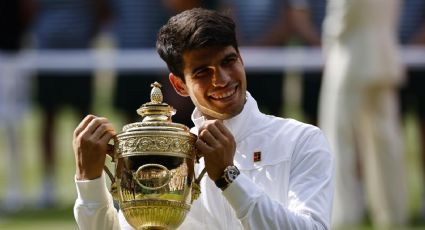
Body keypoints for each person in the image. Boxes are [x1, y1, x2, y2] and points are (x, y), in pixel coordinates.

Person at [73, 8, 334, 229]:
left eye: (228, 61)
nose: (221, 79)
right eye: (202, 72)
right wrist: (89, 180)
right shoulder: (170, 155)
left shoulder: (301, 140)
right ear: (179, 85)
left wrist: (229, 178)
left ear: (241, 59)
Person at [319, 0, 408, 229]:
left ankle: (343, 212)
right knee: (386, 141)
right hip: (383, 56)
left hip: (349, 60)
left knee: (339, 140)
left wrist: (328, 43)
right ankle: (392, 210)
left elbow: (341, 18)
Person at [32, 0, 107, 207]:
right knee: (48, 119)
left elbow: (100, 10)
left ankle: (92, 181)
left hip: (80, 54)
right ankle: (48, 185)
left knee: (87, 124)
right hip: (47, 54)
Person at [220, 0, 291, 116]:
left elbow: (285, 20)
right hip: (241, 63)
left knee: (274, 112)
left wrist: (258, 47)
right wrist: (239, 45)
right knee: (241, 112)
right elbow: (227, 14)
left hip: (272, 65)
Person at [397, 0, 425, 218]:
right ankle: (397, 199)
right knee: (391, 136)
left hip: (420, 66)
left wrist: (410, 50)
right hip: (389, 64)